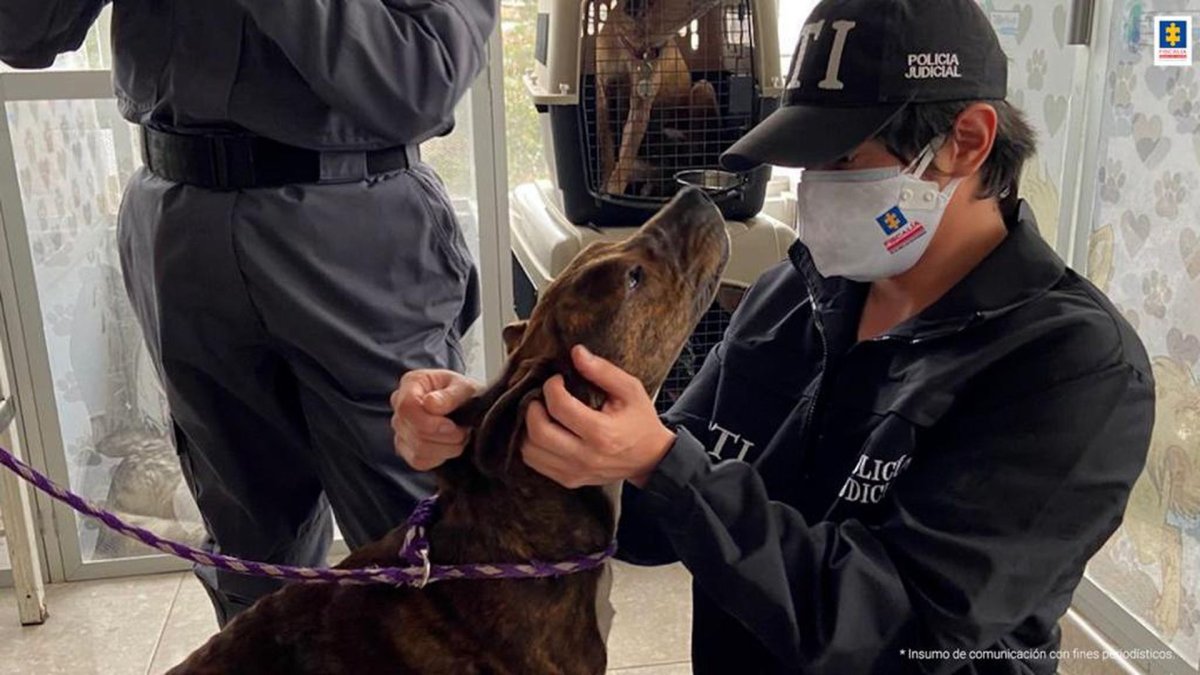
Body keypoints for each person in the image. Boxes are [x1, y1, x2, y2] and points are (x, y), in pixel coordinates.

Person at [393, 0, 1156, 672]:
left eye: (844, 159)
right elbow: (656, 521)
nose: (815, 190)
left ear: (966, 141)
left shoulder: (1072, 370)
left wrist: (665, 463)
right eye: (805, 159)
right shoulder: (795, 293)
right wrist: (500, 425)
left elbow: (899, 629)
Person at [1, 0, 497, 625]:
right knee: (249, 554)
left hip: (354, 225)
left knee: (416, 542)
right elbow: (23, 33)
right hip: (178, 223)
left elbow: (422, 80)